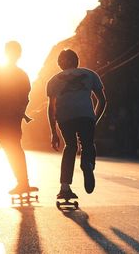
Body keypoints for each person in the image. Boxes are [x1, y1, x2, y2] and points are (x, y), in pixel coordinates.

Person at [0, 41, 36, 194]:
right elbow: (25, 98)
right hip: (8, 116)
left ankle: (22, 182)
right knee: (14, 146)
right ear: (19, 54)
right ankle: (23, 182)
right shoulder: (20, 74)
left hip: (2, 116)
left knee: (12, 147)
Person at [46, 49, 107, 198]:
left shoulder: (53, 80)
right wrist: (94, 119)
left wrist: (53, 132)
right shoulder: (90, 74)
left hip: (65, 116)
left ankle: (65, 188)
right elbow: (103, 100)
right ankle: (88, 165)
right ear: (77, 60)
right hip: (86, 115)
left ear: (60, 64)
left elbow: (51, 108)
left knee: (70, 146)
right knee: (88, 143)